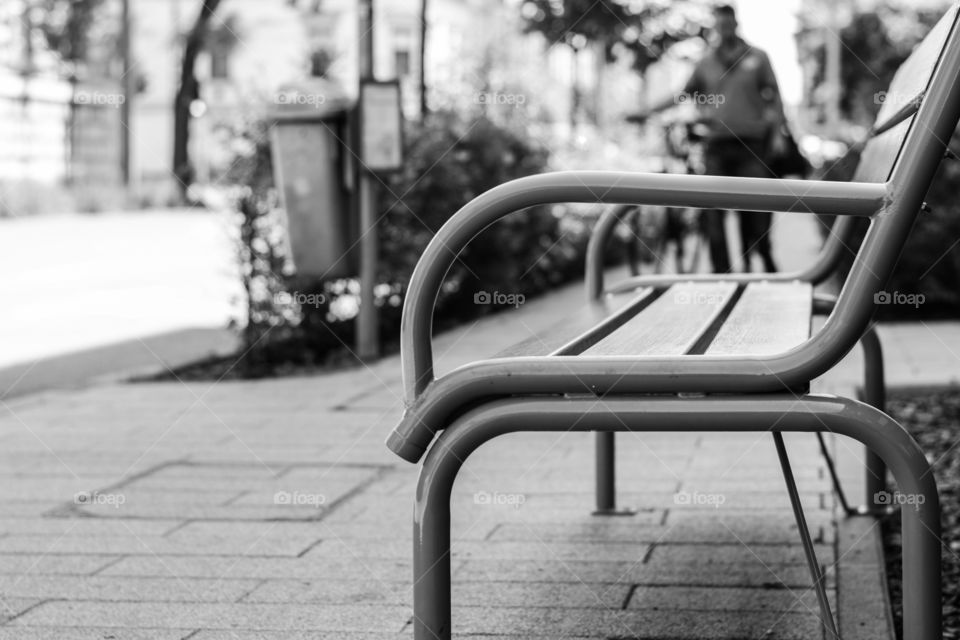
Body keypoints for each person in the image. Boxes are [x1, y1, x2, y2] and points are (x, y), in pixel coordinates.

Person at [627, 4, 786, 273]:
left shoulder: (758, 57)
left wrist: (778, 133)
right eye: (719, 24)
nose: (724, 29)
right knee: (712, 211)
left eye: (728, 23)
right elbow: (682, 94)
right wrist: (646, 111)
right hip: (717, 147)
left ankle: (763, 255)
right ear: (715, 26)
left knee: (757, 212)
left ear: (736, 24)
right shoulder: (706, 62)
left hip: (753, 145)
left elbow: (775, 96)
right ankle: (722, 274)